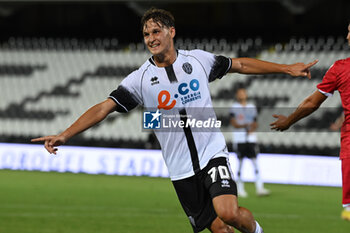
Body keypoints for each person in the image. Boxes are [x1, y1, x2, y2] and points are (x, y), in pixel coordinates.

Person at [32, 8, 318, 233]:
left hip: (211, 153)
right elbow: (104, 107)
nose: (151, 38)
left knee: (228, 212)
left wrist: (285, 68)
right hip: (181, 169)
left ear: (171, 31)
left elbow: (240, 64)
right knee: (219, 229)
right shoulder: (139, 79)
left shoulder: (198, 60)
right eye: (146, 34)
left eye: (156, 31)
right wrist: (66, 134)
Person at [270, 23, 350, 221]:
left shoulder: (340, 68)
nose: (347, 37)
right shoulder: (339, 68)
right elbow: (312, 103)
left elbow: (312, 103)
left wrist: (289, 121)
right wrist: (288, 120)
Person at [230, 87, 270, 198]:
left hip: (251, 139)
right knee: (240, 165)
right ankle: (239, 189)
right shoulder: (234, 107)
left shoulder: (251, 107)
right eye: (240, 93)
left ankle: (260, 187)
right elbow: (234, 123)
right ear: (237, 95)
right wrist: (246, 125)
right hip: (240, 140)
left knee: (255, 163)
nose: (242, 95)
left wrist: (250, 128)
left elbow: (255, 122)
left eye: (243, 93)